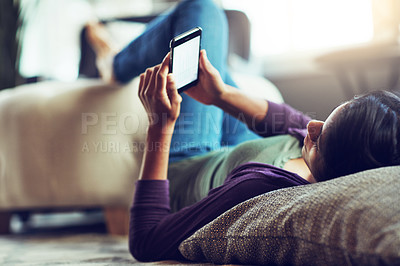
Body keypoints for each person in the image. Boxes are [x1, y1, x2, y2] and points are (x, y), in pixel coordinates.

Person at [86, 0, 400, 262]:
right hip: (243, 149)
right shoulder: (332, 155)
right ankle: (207, 76)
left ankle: (114, 63)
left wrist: (160, 124)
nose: (312, 126)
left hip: (192, 161)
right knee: (204, 64)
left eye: (320, 139)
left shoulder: (257, 188)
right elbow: (285, 118)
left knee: (200, 8)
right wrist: (220, 95)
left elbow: (146, 242)